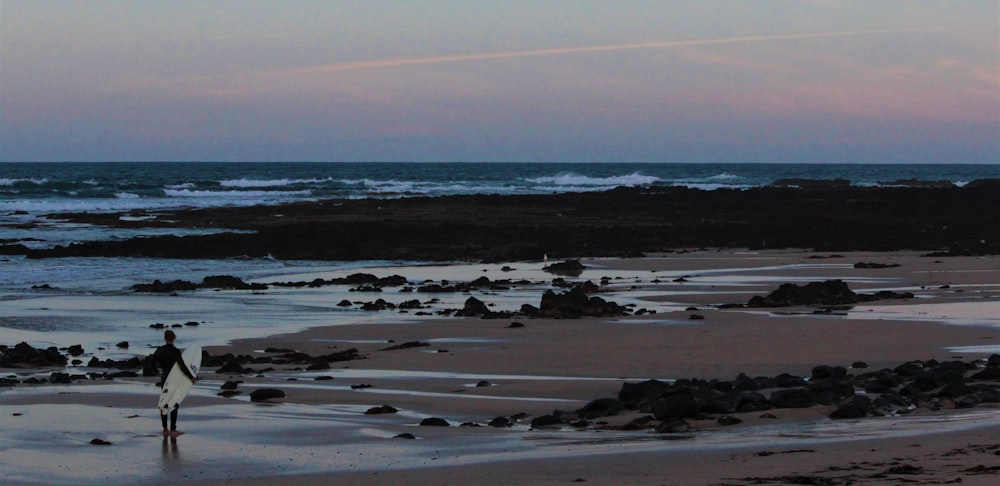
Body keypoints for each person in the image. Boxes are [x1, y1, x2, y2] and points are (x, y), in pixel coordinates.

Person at [150, 330, 196, 438]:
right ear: (174, 338)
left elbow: (150, 362)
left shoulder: (160, 350)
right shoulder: (175, 351)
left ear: (165, 338)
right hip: (174, 379)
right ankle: (173, 429)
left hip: (164, 379)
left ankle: (165, 429)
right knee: (174, 402)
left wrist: (156, 372)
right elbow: (182, 366)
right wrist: (191, 377)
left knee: (164, 400)